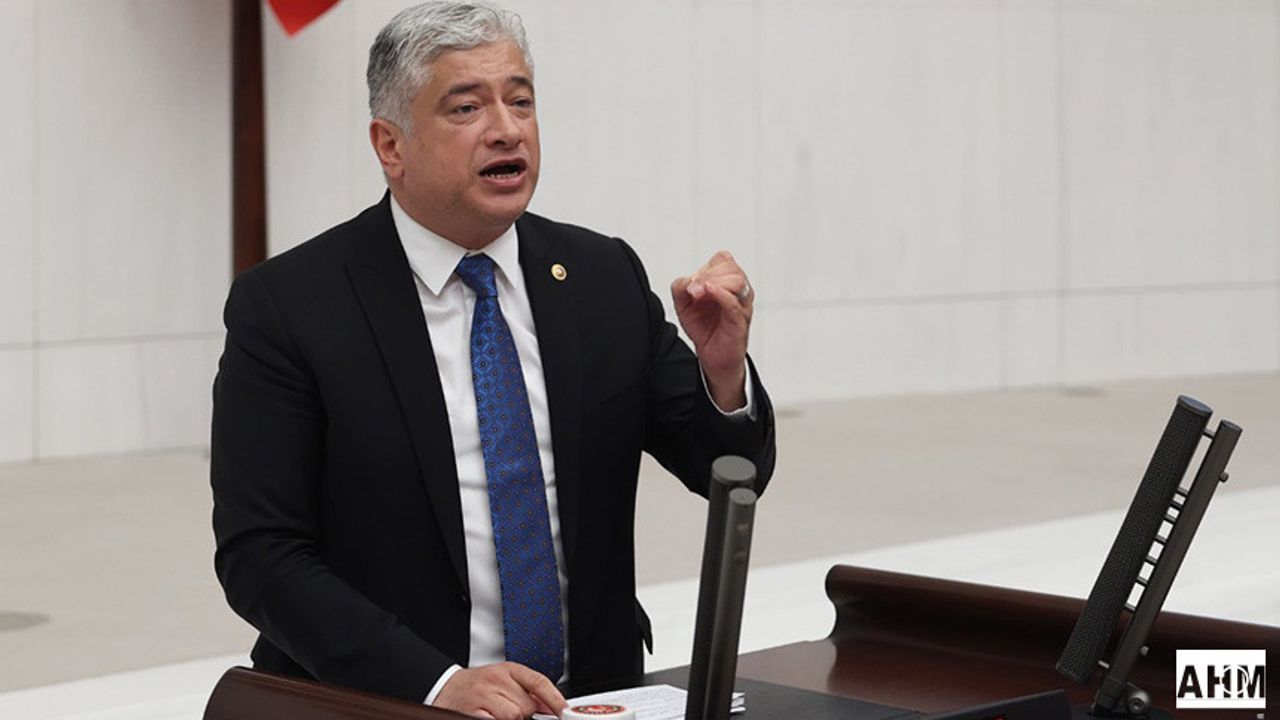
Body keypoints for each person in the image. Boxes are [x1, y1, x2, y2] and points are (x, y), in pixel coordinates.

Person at [210, 3, 775, 719]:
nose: (507, 129)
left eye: (521, 101)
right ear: (391, 145)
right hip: (390, 704)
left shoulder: (600, 276)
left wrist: (723, 375)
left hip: (589, 701)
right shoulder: (292, 306)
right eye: (467, 107)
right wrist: (437, 683)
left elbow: (729, 474)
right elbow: (260, 555)